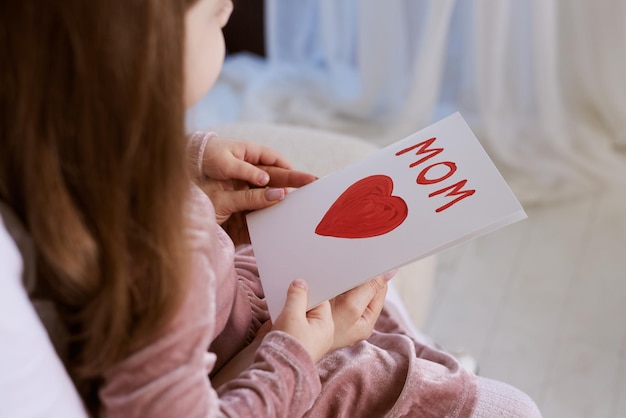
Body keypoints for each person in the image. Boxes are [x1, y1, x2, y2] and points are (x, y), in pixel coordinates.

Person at [0, 0, 542, 416]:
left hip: (226, 309)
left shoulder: (29, 139)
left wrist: (184, 161)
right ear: (139, 60)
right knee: (513, 410)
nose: (231, 10)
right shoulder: (164, 249)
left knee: (357, 265)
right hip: (257, 370)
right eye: (214, 15)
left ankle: (416, 355)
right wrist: (291, 353)